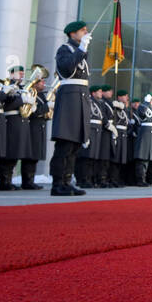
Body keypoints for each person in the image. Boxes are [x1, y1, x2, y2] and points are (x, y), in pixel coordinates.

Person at [49, 21, 92, 195]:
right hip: (69, 99)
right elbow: (66, 69)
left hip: (80, 99)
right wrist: (81, 49)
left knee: (74, 145)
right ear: (72, 33)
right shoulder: (64, 49)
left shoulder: (80, 51)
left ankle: (67, 181)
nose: (85, 33)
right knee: (64, 145)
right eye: (83, 31)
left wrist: (82, 50)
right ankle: (57, 183)